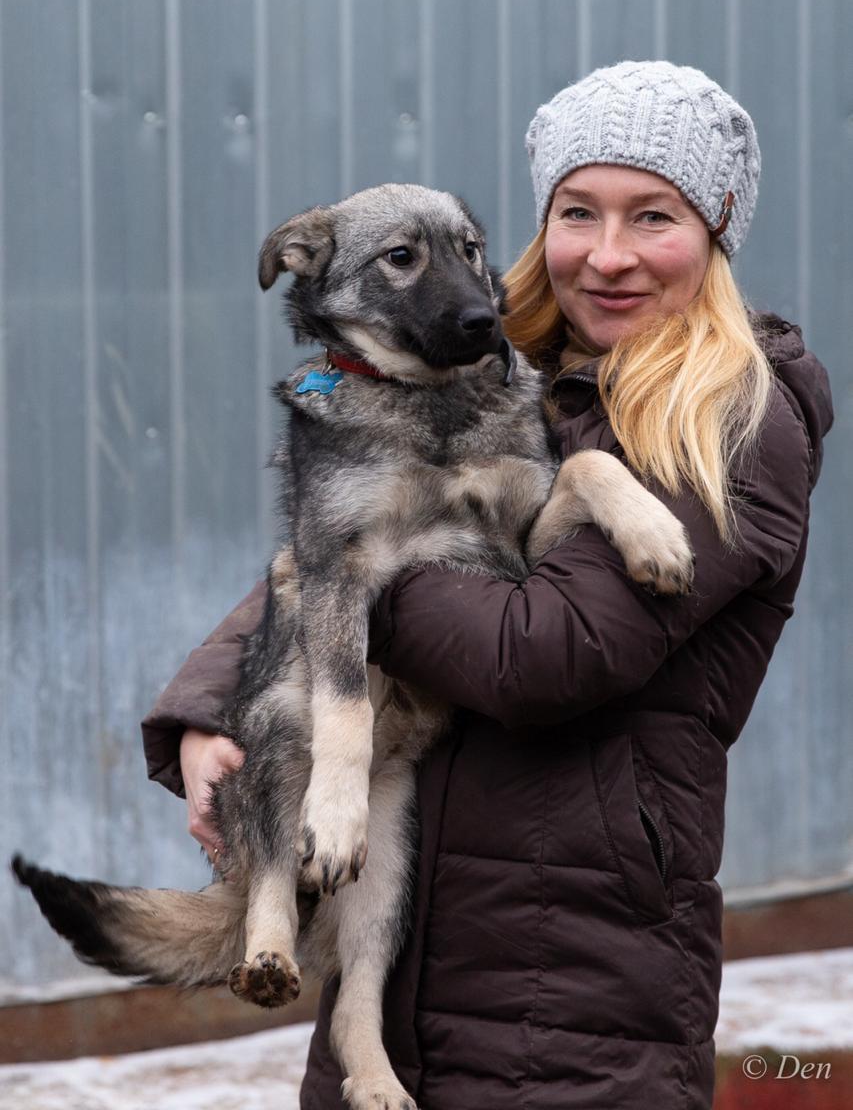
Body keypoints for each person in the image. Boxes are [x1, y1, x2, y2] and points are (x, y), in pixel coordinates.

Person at [141, 61, 833, 1109]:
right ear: (538, 221)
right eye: (576, 213)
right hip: (403, 955)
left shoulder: (732, 419)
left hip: (568, 993)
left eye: (654, 216)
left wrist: (362, 567)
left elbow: (537, 651)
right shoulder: (495, 371)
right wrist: (203, 713)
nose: (607, 255)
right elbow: (322, 542)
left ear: (718, 225)